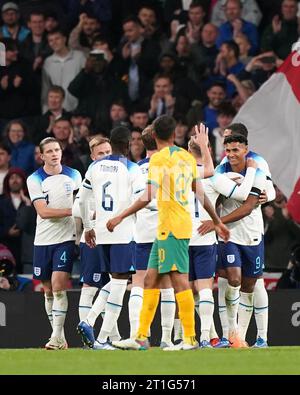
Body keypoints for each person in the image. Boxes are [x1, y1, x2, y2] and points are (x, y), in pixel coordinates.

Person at [106, 115, 230, 351]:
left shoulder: (158, 160)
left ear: (153, 136)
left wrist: (121, 216)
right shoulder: (185, 157)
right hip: (173, 226)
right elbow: (201, 194)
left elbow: (148, 195)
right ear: (175, 134)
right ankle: (141, 336)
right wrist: (217, 221)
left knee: (179, 281)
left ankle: (190, 338)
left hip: (171, 226)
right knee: (150, 279)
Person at [77, 126, 145, 350]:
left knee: (115, 281)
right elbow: (141, 200)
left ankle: (95, 328)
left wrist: (88, 227)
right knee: (119, 281)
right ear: (127, 145)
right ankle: (98, 332)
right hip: (123, 231)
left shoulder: (94, 166)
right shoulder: (132, 168)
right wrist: (121, 217)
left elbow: (83, 199)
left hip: (101, 232)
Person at [188, 136, 259, 348]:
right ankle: (206, 338)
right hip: (205, 238)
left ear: (186, 151)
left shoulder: (179, 174)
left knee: (186, 289)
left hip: (181, 236)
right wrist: (251, 171)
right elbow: (244, 194)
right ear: (208, 149)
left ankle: (186, 336)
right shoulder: (215, 178)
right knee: (205, 288)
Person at [218, 123, 275, 347]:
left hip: (251, 231)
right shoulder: (223, 165)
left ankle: (261, 336)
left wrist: (266, 197)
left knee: (255, 284)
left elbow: (269, 188)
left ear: (243, 143)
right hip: (228, 233)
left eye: (232, 143)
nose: (229, 150)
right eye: (226, 145)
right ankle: (229, 335)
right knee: (228, 280)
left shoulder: (258, 163)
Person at [26, 137, 82, 350]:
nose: (54, 154)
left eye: (57, 149)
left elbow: (83, 204)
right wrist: (71, 211)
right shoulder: (35, 179)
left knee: (59, 286)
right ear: (42, 156)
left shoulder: (74, 175)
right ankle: (60, 338)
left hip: (65, 239)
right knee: (47, 290)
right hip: (43, 240)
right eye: (49, 151)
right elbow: (43, 211)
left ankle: (56, 337)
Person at [72, 137, 115, 334]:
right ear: (92, 156)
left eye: (108, 152)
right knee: (90, 287)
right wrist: (94, 215)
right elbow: (76, 209)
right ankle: (87, 335)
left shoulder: (117, 175)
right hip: (92, 240)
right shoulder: (89, 177)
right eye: (101, 153)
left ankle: (111, 335)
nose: (106, 156)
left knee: (111, 288)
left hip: (114, 239)